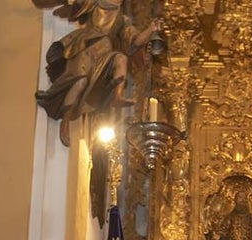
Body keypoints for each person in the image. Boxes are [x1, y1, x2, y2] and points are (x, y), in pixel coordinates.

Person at [34, 0, 159, 146]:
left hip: (104, 54)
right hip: (88, 47)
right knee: (79, 83)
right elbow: (77, 4)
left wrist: (151, 28)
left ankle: (117, 97)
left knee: (121, 59)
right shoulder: (94, 3)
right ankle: (65, 121)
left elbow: (135, 41)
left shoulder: (120, 19)